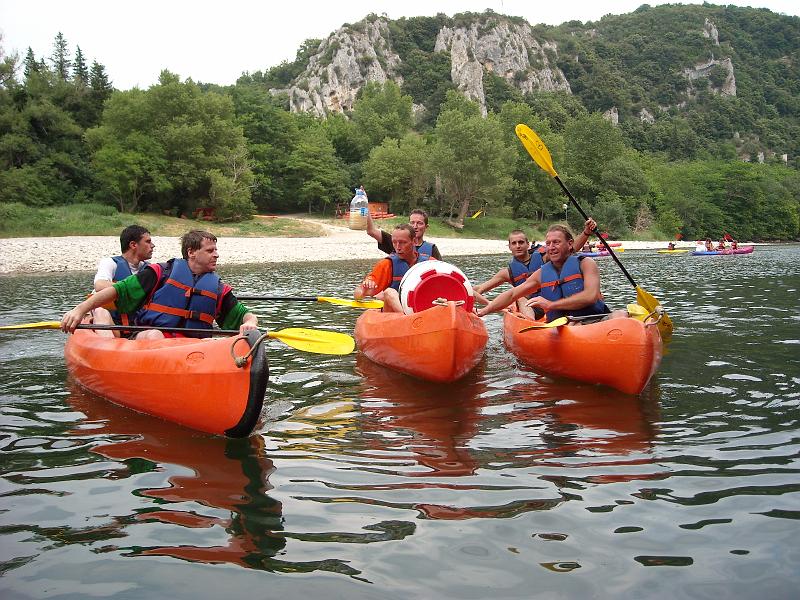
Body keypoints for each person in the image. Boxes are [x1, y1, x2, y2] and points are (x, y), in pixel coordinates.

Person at [61, 230, 258, 339]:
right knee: (155, 335)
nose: (216, 255)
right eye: (210, 250)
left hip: (191, 350)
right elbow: (116, 291)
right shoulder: (159, 273)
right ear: (191, 252)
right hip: (150, 340)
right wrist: (80, 310)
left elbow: (244, 315)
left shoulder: (218, 288)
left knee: (210, 342)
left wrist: (251, 323)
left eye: (216, 250)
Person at [476, 224, 620, 323]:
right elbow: (512, 294)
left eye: (556, 242)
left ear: (569, 244)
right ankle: (530, 323)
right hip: (565, 323)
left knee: (621, 314)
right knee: (521, 297)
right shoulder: (541, 273)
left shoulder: (586, 263)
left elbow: (590, 296)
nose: (551, 247)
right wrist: (484, 311)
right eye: (548, 243)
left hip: (595, 318)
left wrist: (551, 304)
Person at [90, 225, 155, 334]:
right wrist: (132, 288)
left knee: (154, 333)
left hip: (138, 329)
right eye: (148, 242)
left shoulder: (150, 269)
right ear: (133, 245)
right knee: (100, 312)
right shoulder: (111, 263)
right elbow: (99, 285)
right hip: (114, 326)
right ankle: (107, 343)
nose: (152, 245)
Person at [354, 224, 430, 313]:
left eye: (403, 242)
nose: (398, 247)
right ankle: (407, 316)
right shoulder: (387, 264)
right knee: (389, 292)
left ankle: (412, 317)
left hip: (422, 310)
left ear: (414, 241)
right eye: (394, 242)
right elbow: (358, 294)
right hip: (394, 315)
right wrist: (364, 289)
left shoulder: (429, 263)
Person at [367, 208, 442, 260]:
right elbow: (371, 231)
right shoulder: (397, 243)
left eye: (419, 223)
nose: (415, 226)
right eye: (412, 223)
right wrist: (364, 204)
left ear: (426, 227)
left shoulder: (432, 249)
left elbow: (442, 272)